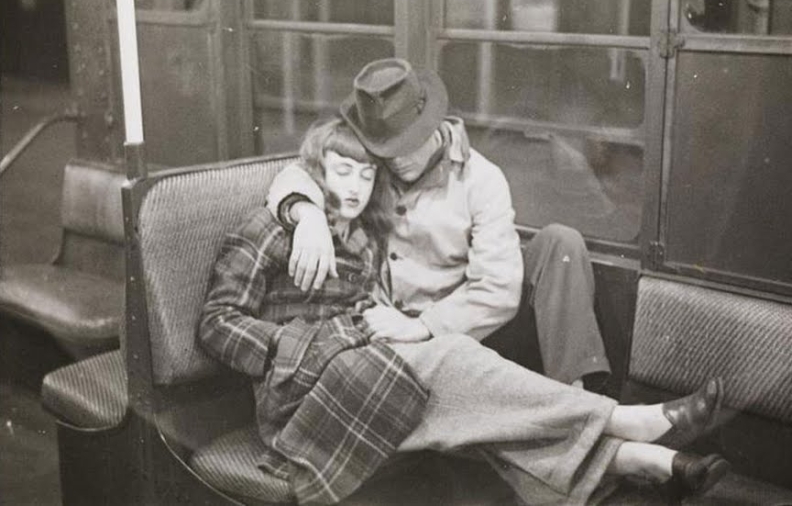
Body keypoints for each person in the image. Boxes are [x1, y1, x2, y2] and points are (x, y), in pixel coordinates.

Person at [198, 118, 730, 505]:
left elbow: (462, 295)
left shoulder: (362, 238)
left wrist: (378, 332)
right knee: (448, 358)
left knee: (470, 416)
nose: (357, 187)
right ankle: (621, 422)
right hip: (295, 403)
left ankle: (644, 461)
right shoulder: (271, 228)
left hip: (360, 369)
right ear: (317, 174)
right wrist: (293, 335)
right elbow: (216, 324)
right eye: (343, 172)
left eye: (367, 175)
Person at [266, 57, 608, 388]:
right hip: (390, 335)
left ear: (432, 125)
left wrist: (424, 326)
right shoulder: (371, 161)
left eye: (407, 145)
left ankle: (577, 394)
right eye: (387, 149)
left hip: (470, 328)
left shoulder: (482, 178)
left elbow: (498, 290)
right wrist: (306, 214)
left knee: (561, 242)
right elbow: (297, 171)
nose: (397, 161)